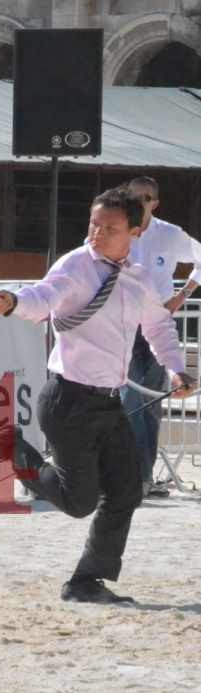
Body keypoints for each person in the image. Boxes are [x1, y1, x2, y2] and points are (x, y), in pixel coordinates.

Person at [0, 186, 196, 605]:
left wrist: (175, 369)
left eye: (110, 228)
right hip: (68, 401)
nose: (97, 234)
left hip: (109, 402)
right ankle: (12, 449)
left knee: (126, 490)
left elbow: (158, 328)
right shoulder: (76, 265)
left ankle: (85, 581)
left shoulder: (141, 279)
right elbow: (44, 297)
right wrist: (14, 303)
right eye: (94, 224)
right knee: (78, 503)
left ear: (135, 231)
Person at [120, 176, 201, 497]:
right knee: (127, 399)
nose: (141, 201)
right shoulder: (115, 227)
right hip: (122, 323)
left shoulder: (169, 234)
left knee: (151, 401)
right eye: (135, 196)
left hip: (158, 324)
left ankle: (143, 477)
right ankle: (129, 475)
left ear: (155, 202)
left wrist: (184, 293)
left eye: (147, 197)